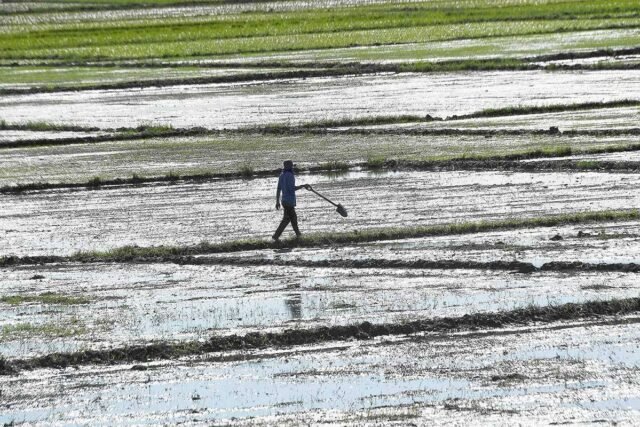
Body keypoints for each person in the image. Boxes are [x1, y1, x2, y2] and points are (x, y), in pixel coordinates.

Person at [272, 160, 310, 241]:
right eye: (292, 166)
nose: (293, 167)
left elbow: (278, 189)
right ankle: (277, 236)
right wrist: (303, 186)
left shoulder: (281, 175)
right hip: (289, 201)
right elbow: (293, 188)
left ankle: (298, 235)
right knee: (289, 219)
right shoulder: (290, 175)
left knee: (290, 219)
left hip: (284, 201)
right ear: (289, 167)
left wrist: (277, 202)